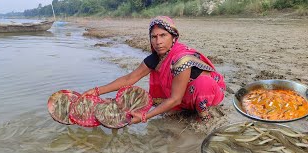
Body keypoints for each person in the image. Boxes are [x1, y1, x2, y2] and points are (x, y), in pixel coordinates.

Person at [83, 16, 226, 125]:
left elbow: (175, 98)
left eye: (163, 35)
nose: (158, 42)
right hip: (184, 93)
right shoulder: (155, 58)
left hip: (207, 91)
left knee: (201, 85)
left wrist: (144, 116)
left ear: (173, 37)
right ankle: (185, 108)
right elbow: (129, 79)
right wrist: (96, 91)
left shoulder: (182, 59)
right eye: (154, 37)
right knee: (165, 108)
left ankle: (205, 117)